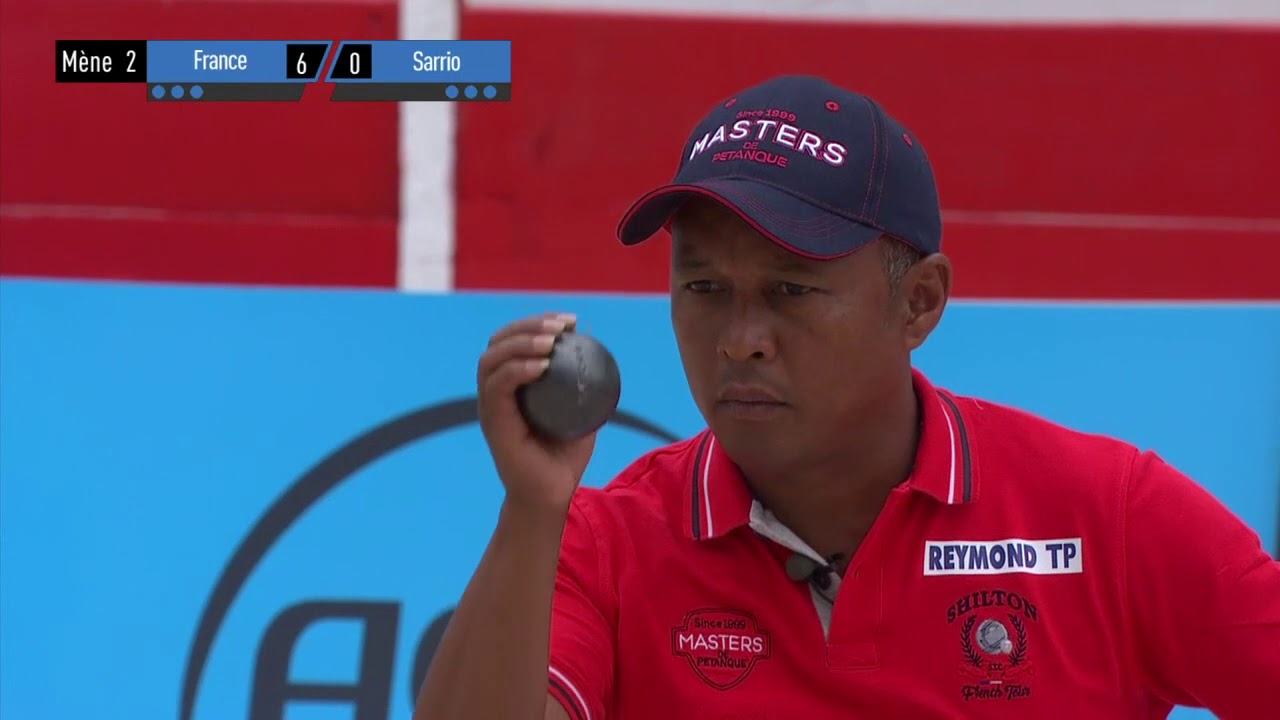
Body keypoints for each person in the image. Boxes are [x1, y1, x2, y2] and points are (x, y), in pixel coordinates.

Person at [414, 75, 1280, 719]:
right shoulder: (605, 542)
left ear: (921, 303)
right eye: (705, 288)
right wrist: (531, 505)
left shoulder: (1108, 516)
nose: (739, 337)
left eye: (790, 291)